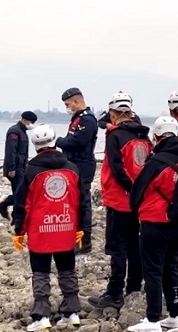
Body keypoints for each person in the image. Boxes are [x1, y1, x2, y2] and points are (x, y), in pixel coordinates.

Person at [12, 124, 84, 332]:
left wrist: (19, 231)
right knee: (67, 269)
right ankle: (72, 313)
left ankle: (42, 315)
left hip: (41, 230)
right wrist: (81, 227)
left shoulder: (31, 171)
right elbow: (81, 201)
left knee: (41, 272)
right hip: (66, 227)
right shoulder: (72, 168)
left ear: (35, 145)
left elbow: (22, 204)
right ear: (54, 141)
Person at [88, 92, 152, 310]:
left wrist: (131, 190)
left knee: (117, 247)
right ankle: (133, 286)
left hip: (119, 200)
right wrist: (140, 191)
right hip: (139, 201)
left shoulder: (115, 136)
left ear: (114, 114)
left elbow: (117, 169)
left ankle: (115, 292)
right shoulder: (143, 135)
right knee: (135, 245)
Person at [127, 116, 178, 332]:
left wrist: (135, 210)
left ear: (156, 137)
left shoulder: (156, 162)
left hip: (155, 221)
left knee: (153, 270)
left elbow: (137, 192)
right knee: (172, 266)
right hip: (177, 222)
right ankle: (175, 314)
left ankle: (152, 318)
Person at [57, 88, 98, 254]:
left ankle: (84, 240)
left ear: (76, 101)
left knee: (83, 204)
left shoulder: (87, 120)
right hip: (73, 164)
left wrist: (59, 141)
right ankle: (74, 236)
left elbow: (77, 141)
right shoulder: (77, 119)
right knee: (74, 203)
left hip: (83, 165)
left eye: (68, 104)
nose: (67, 107)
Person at [0, 111, 37, 220]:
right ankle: (3, 205)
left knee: (19, 192)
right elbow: (11, 151)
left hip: (21, 167)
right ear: (24, 120)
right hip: (15, 168)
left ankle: (16, 216)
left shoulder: (23, 132)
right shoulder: (14, 131)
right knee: (21, 194)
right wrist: (12, 168)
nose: (32, 124)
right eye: (31, 122)